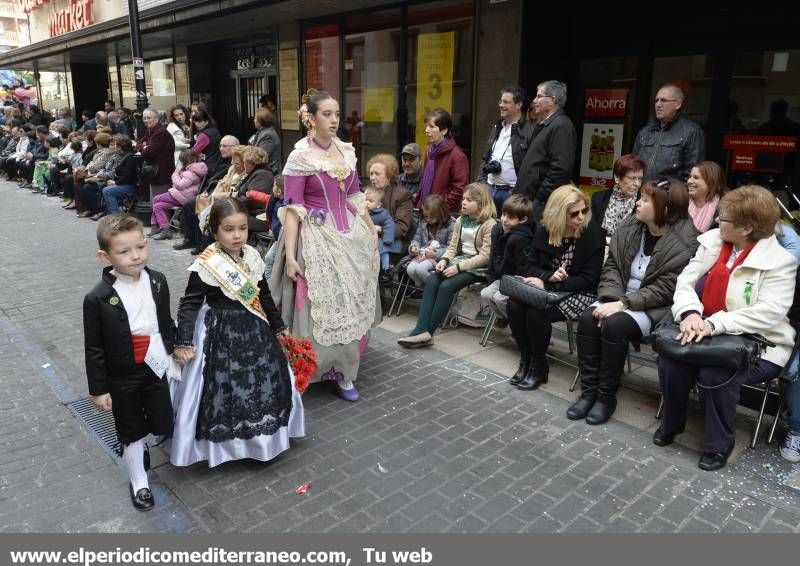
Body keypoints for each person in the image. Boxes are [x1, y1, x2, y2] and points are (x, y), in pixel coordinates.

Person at [656, 185, 797, 471]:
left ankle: (718, 444)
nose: (718, 222)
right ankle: (673, 422)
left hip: (758, 343)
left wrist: (713, 323)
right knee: (671, 361)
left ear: (747, 228)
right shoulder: (712, 243)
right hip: (700, 329)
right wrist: (691, 313)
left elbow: (768, 313)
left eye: (725, 218)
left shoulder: (780, 263)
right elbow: (685, 282)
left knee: (715, 372)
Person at [170, 198, 304, 467]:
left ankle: (263, 441)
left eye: (242, 228)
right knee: (224, 386)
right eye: (228, 229)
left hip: (254, 329)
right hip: (219, 332)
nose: (237, 235)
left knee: (263, 382)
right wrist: (183, 339)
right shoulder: (206, 263)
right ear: (215, 230)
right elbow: (190, 303)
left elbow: (263, 296)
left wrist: (278, 326)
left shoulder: (252, 256)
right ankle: (228, 447)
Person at [270, 90, 380, 402]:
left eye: (336, 114)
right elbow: (292, 208)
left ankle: (345, 372)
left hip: (349, 237)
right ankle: (310, 369)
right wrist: (291, 256)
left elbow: (356, 197)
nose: (334, 120)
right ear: (311, 118)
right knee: (319, 310)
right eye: (327, 114)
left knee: (349, 302)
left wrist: (370, 231)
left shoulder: (345, 150)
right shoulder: (300, 156)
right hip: (315, 238)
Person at [567, 178, 699, 424]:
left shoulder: (685, 242)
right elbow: (612, 267)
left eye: (645, 200)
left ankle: (606, 396)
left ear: (665, 209)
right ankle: (588, 392)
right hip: (617, 297)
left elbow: (666, 289)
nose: (637, 203)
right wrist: (612, 299)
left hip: (654, 308)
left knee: (614, 325)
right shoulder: (630, 226)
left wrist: (623, 304)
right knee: (588, 319)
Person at [83, 214, 174, 511]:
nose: (135, 256)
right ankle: (139, 480)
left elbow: (165, 321)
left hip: (156, 365)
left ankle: (141, 445)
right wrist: (98, 389)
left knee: (161, 419)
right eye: (124, 251)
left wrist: (178, 349)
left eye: (140, 247)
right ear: (104, 256)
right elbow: (94, 347)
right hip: (122, 374)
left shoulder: (158, 281)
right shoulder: (98, 298)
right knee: (130, 428)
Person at [507, 185, 603, 391]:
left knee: (536, 310)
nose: (581, 217)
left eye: (584, 210)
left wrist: (551, 282)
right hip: (548, 287)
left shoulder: (591, 232)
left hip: (580, 292)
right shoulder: (546, 230)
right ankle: (526, 358)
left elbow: (590, 279)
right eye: (574, 213)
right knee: (514, 303)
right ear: (559, 214)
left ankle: (538, 365)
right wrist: (546, 276)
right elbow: (528, 265)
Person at [398, 182, 497, 348]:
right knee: (432, 280)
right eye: (463, 198)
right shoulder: (461, 220)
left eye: (469, 200)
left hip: (477, 267)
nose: (463, 202)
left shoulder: (489, 224)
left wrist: (458, 267)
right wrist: (444, 260)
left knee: (446, 286)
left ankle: (426, 333)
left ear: (481, 204)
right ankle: (420, 330)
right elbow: (452, 248)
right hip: (458, 261)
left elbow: (485, 256)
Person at [515, 80, 577, 222]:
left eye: (539, 96)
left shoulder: (561, 126)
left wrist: (539, 198)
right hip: (529, 202)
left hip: (540, 204)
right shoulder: (547, 124)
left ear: (552, 100)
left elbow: (560, 169)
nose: (534, 100)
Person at [173, 135, 238, 254]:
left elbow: (226, 182)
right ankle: (191, 238)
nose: (221, 148)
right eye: (220, 146)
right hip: (211, 190)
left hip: (221, 195)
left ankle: (201, 244)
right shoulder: (220, 159)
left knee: (195, 205)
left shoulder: (235, 163)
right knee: (189, 205)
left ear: (234, 147)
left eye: (224, 146)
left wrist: (211, 193)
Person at [633, 84, 705, 181]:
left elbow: (692, 172)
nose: (658, 105)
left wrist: (675, 194)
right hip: (642, 193)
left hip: (670, 195)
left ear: (678, 104)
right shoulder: (645, 132)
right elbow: (633, 165)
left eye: (663, 100)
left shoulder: (692, 132)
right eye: (656, 100)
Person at [481, 194, 534, 324]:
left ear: (522, 220)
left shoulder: (522, 238)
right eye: (503, 214)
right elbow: (493, 256)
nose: (504, 219)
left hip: (516, 280)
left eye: (510, 217)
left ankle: (520, 325)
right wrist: (492, 278)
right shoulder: (497, 230)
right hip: (500, 277)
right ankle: (505, 319)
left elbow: (523, 267)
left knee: (499, 298)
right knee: (485, 294)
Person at [479, 85, 530, 214]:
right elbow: (486, 158)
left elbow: (531, 167)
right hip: (490, 190)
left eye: (506, 102)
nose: (501, 105)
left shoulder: (529, 130)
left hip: (512, 193)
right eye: (500, 101)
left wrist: (519, 193)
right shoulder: (497, 127)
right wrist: (482, 184)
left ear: (518, 105)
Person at [415, 108, 470, 213]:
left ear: (444, 130)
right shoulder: (429, 150)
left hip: (443, 214)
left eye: (431, 127)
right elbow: (423, 180)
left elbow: (459, 190)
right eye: (426, 126)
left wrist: (439, 208)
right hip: (424, 210)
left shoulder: (457, 156)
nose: (426, 130)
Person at [150, 149, 208, 240]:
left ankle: (155, 226)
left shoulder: (191, 172)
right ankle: (165, 230)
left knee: (156, 199)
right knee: (158, 206)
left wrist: (175, 175)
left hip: (182, 196)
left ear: (185, 161)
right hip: (182, 196)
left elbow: (181, 185)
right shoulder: (193, 170)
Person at [591, 154, 646, 247]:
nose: (637, 184)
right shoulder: (599, 198)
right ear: (617, 178)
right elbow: (592, 233)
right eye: (632, 178)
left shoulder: (643, 203)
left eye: (640, 179)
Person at [367, 153, 414, 257]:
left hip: (395, 242)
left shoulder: (402, 195)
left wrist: (378, 229)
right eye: (371, 174)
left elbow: (402, 228)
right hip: (370, 239)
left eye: (377, 174)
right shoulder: (366, 193)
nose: (373, 177)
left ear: (389, 175)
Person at [405, 194, 455, 288]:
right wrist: (413, 247)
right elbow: (417, 238)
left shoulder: (450, 225)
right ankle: (424, 288)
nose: (428, 220)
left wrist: (436, 253)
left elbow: (451, 247)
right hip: (423, 254)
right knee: (410, 269)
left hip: (438, 258)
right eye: (426, 216)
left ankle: (434, 288)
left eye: (431, 217)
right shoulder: (423, 222)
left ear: (441, 214)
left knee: (420, 269)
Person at [95, 134, 138, 220]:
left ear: (121, 147)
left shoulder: (130, 158)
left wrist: (115, 182)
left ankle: (116, 217)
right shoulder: (125, 156)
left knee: (108, 191)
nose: (115, 147)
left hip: (131, 186)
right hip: (125, 183)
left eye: (116, 145)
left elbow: (128, 176)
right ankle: (108, 213)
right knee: (104, 186)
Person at [137, 108, 176, 199]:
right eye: (144, 118)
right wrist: (144, 147)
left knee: (159, 204)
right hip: (153, 173)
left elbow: (148, 153)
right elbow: (138, 144)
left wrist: (145, 148)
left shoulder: (160, 133)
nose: (146, 120)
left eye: (149, 118)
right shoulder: (149, 131)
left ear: (156, 119)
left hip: (161, 174)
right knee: (155, 205)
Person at [365, 186, 398, 284]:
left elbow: (390, 225)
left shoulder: (383, 214)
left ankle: (385, 269)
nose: (366, 202)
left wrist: (387, 238)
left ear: (378, 205)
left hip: (380, 238)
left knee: (383, 250)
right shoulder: (363, 211)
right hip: (366, 238)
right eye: (365, 200)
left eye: (370, 201)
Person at [687, 161, 727, 233]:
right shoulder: (681, 203)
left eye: (696, 178)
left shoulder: (725, 210)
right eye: (690, 177)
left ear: (710, 182)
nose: (689, 181)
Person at [190, 109, 222, 174]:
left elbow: (194, 151)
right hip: (217, 162)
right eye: (195, 122)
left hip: (207, 164)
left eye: (200, 121)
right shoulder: (214, 130)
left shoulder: (204, 135)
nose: (197, 124)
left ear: (206, 121)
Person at [250, 107, 281, 172]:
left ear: (261, 120)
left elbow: (261, 156)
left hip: (269, 171)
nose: (254, 120)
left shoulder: (267, 135)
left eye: (255, 118)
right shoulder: (262, 131)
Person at [166, 104, 191, 169]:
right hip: (178, 159)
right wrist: (189, 145)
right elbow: (171, 143)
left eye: (181, 114)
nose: (179, 117)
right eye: (176, 115)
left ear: (185, 113)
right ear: (173, 117)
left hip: (192, 157)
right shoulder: (171, 126)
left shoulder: (191, 123)